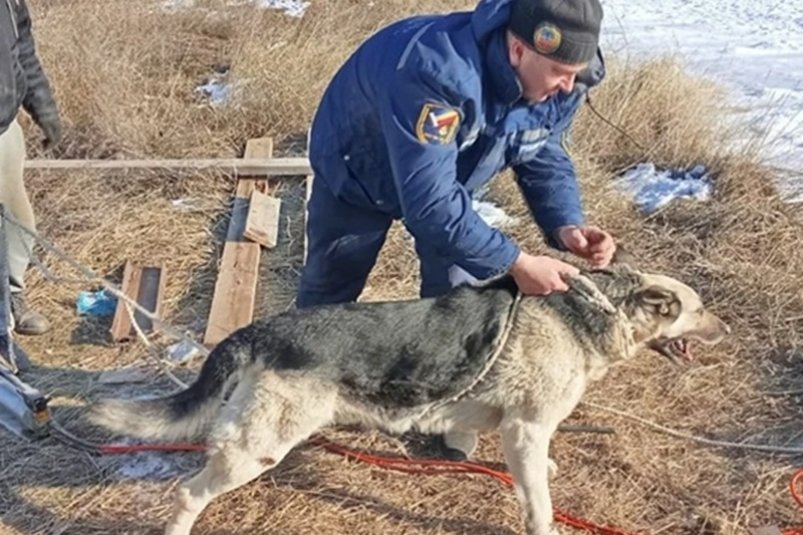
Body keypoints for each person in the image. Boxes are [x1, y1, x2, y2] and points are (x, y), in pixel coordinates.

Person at [299, 0, 615, 458]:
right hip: (359, 166)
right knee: (333, 282)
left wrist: (566, 223)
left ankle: (435, 413)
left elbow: (542, 149)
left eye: (576, 71)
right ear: (517, 50)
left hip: (446, 180)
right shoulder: (437, 73)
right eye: (559, 72)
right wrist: (516, 263)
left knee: (454, 299)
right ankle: (299, 394)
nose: (569, 85)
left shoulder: (567, 77)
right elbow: (428, 204)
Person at [1, 0, 62, 335]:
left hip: (3, 127)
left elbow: (22, 49)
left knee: (17, 220)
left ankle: (11, 297)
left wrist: (44, 108)